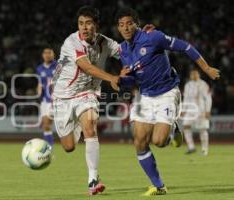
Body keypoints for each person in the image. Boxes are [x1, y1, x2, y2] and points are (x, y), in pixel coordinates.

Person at [116, 7, 220, 196]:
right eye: (121, 25)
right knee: (139, 141)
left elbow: (185, 47)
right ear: (118, 28)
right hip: (145, 96)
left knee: (159, 141)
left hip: (167, 93)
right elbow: (135, 79)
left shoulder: (153, 37)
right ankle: (158, 185)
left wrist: (206, 68)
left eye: (129, 23)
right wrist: (122, 80)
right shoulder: (122, 50)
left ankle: (172, 130)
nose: (126, 28)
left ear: (136, 24)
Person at [51, 6, 123, 195]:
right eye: (81, 23)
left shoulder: (106, 42)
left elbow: (126, 52)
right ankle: (76, 127)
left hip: (87, 92)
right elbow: (87, 67)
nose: (84, 27)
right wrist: (113, 78)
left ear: (96, 25)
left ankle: (93, 179)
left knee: (90, 126)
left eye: (88, 23)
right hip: (63, 96)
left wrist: (143, 38)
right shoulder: (71, 42)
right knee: (68, 147)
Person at [182, 68, 212, 155]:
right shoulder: (188, 85)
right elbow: (186, 99)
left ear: (199, 75)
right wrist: (184, 109)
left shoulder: (203, 84)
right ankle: (191, 147)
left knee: (202, 129)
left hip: (200, 110)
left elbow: (208, 99)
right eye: (192, 74)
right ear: (190, 75)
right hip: (190, 110)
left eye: (195, 74)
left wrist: (208, 110)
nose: (194, 75)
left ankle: (204, 149)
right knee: (186, 126)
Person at [36, 47, 57, 146]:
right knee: (45, 126)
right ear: (42, 55)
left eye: (49, 52)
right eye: (45, 53)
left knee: (47, 123)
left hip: (56, 101)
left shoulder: (58, 66)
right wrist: (39, 91)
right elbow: (40, 83)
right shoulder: (39, 69)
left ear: (53, 55)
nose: (47, 54)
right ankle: (49, 147)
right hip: (45, 100)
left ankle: (49, 146)